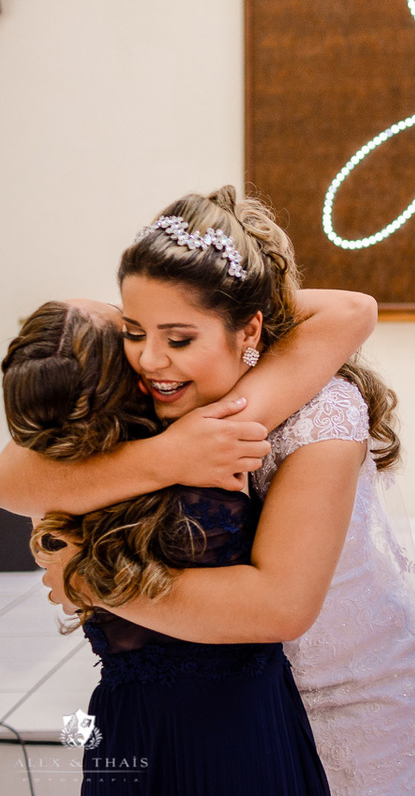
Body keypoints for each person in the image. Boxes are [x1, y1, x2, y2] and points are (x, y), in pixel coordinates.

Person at [30, 187, 415, 796]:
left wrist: (91, 579)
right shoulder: (151, 379)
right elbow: (13, 474)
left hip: (343, 693)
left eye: (180, 338)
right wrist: (163, 457)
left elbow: (281, 607)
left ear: (251, 326)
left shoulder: (324, 414)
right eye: (135, 329)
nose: (151, 358)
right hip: (223, 695)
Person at [3, 299, 333, 795]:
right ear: (133, 376)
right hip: (239, 730)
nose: (152, 346)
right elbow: (352, 310)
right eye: (131, 329)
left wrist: (92, 579)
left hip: (130, 725)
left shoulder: (61, 471)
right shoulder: (210, 437)